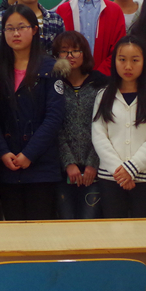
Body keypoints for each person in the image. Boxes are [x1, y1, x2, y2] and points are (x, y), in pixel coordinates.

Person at [0, 4, 65, 221]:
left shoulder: (51, 68)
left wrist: (29, 154)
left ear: (34, 30)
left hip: (41, 166)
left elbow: (54, 117)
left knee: (40, 231)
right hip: (6, 166)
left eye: (21, 27)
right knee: (13, 229)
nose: (15, 33)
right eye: (9, 28)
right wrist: (2, 152)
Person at [92, 36, 146, 218]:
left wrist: (131, 168)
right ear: (114, 62)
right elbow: (99, 136)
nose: (128, 66)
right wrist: (119, 171)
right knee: (114, 230)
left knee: (145, 231)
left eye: (135, 60)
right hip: (111, 177)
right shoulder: (103, 95)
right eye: (122, 60)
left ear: (144, 62)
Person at [51, 31, 108, 219]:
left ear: (84, 53)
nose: (70, 56)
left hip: (96, 169)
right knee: (66, 223)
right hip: (63, 171)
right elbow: (55, 128)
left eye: (76, 50)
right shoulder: (54, 85)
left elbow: (105, 127)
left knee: (89, 223)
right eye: (64, 51)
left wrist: (92, 163)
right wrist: (68, 163)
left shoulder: (101, 83)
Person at [55, 0, 126, 74]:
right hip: (69, 78)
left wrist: (99, 75)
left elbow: (119, 50)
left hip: (104, 79)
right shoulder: (62, 10)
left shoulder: (115, 11)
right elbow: (57, 49)